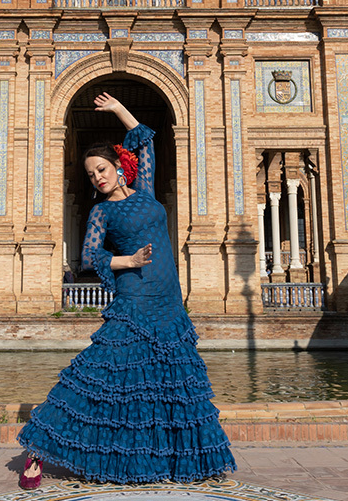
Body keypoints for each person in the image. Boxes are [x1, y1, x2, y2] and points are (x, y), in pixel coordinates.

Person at [16, 93, 236, 488]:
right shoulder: (103, 212)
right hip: (134, 298)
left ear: (119, 167)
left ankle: (175, 460)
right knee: (98, 374)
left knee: (170, 382)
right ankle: (39, 447)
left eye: (101, 169)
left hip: (168, 299)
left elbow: (145, 140)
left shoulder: (146, 192)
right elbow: (88, 257)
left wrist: (119, 108)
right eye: (90, 175)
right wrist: (128, 262)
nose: (97, 177)